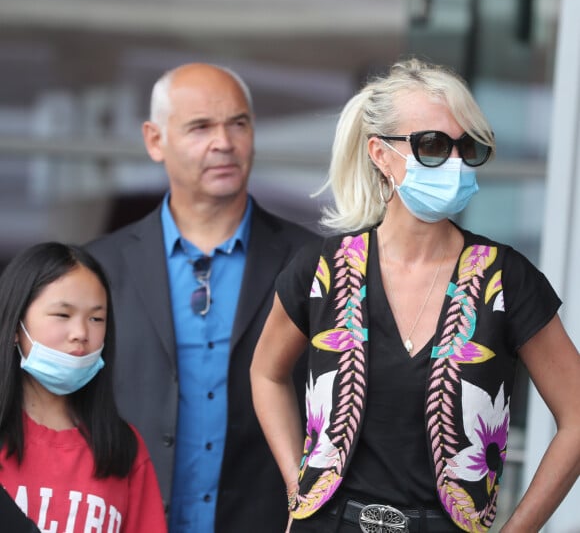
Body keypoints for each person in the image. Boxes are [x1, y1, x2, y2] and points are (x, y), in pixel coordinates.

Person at [250, 57, 580, 533]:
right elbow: (265, 372)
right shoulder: (321, 268)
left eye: (466, 146)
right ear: (380, 154)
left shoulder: (507, 279)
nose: (454, 161)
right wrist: (298, 488)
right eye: (431, 145)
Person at [86, 63, 319, 533]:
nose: (224, 143)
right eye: (200, 127)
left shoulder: (314, 263)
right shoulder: (99, 269)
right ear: (155, 141)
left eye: (238, 123)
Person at [0, 242, 167, 533]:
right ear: (16, 326)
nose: (81, 334)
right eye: (63, 315)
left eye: (96, 318)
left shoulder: (123, 447)